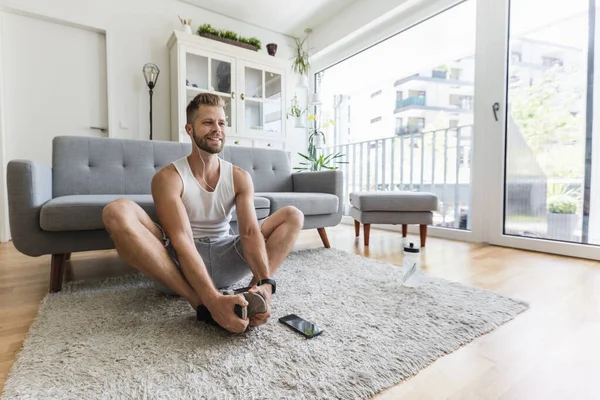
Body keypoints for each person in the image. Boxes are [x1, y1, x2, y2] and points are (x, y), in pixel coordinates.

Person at [102, 93, 304, 334]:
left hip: (227, 252)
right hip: (177, 265)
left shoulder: (239, 177)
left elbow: (249, 233)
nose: (216, 129)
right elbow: (182, 241)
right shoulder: (168, 178)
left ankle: (255, 294)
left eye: (221, 123)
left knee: (293, 215)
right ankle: (199, 303)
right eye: (207, 123)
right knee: (116, 210)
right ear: (190, 129)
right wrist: (212, 301)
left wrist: (264, 282)